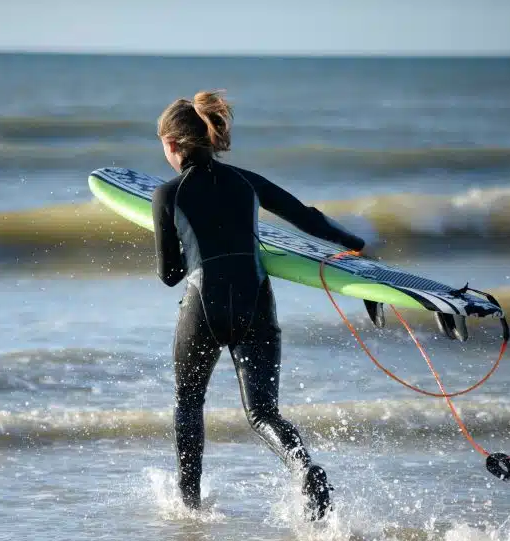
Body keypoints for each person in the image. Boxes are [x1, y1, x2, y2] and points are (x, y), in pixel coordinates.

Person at [151, 90, 367, 520]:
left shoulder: (168, 194)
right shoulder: (247, 181)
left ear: (173, 145)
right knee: (263, 412)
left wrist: (179, 233)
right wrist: (354, 245)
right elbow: (304, 216)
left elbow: (170, 275)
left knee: (189, 403)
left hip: (203, 307)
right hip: (255, 302)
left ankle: (189, 507)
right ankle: (304, 468)